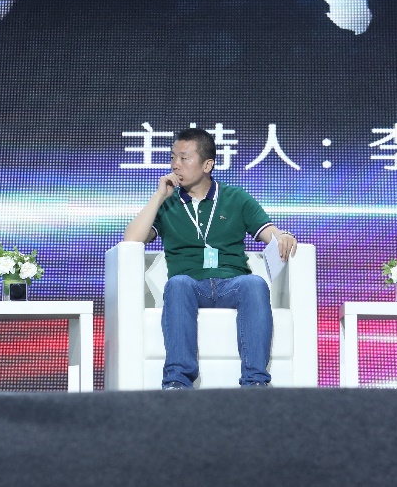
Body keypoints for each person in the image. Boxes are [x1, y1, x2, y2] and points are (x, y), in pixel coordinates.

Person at [124, 127, 297, 388]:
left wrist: (283, 235)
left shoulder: (236, 198)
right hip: (190, 284)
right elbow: (131, 240)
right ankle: (177, 383)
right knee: (177, 284)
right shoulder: (168, 204)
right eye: (173, 157)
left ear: (207, 165)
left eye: (184, 158)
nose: (175, 165)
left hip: (231, 283)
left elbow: (269, 232)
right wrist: (158, 196)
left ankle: (255, 383)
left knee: (254, 284)